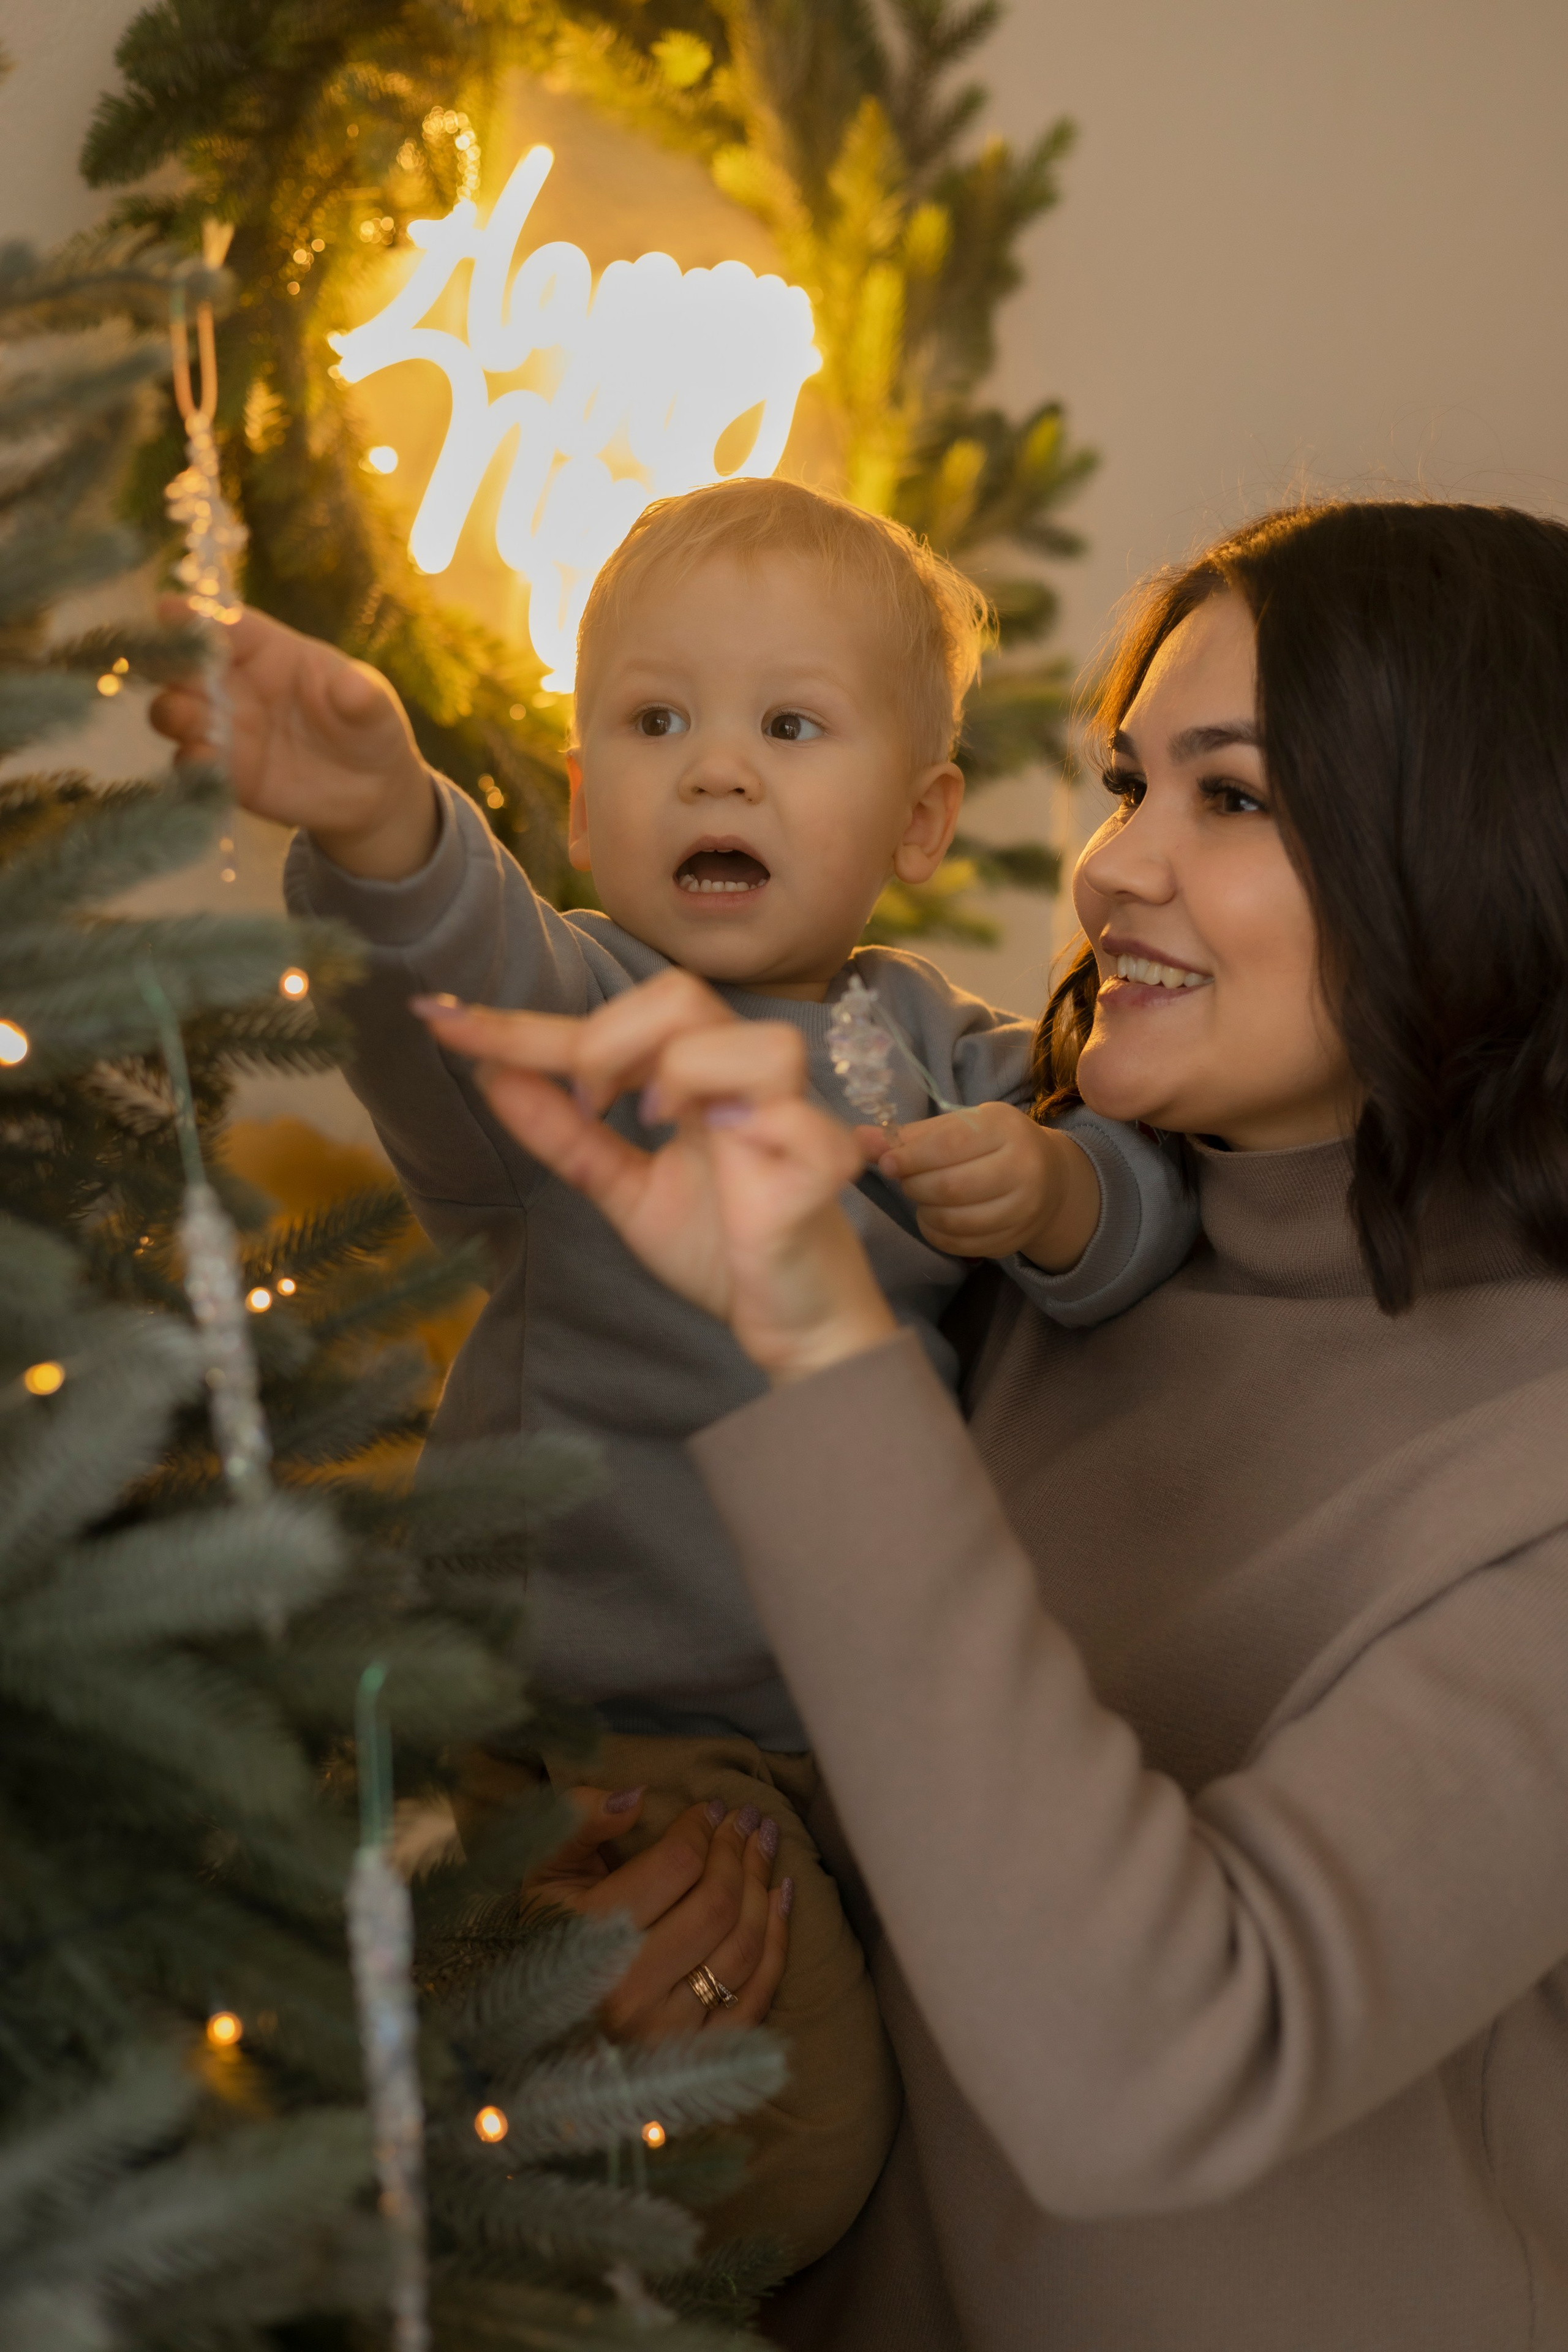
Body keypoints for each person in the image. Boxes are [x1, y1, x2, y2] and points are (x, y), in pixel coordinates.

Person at [422, 499, 1568, 2350]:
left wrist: (819, 1346)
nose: (1111, 871)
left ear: (1477, 855)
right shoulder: (1017, 1259)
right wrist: (604, 1980)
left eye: (1232, 797)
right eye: (1128, 784)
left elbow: (1153, 2072)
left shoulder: (1535, 1465)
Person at [148, 477, 1195, 2272]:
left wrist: (1057, 1192)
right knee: (762, 2133)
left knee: (880, 2118)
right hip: (573, 1722)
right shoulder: (586, 1014)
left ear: (923, 818)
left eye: (790, 726)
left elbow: (1149, 1191)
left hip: (836, 1748)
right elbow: (453, 964)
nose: (716, 772)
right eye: (655, 724)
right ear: (579, 803)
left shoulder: (940, 1051)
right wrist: (391, 821)